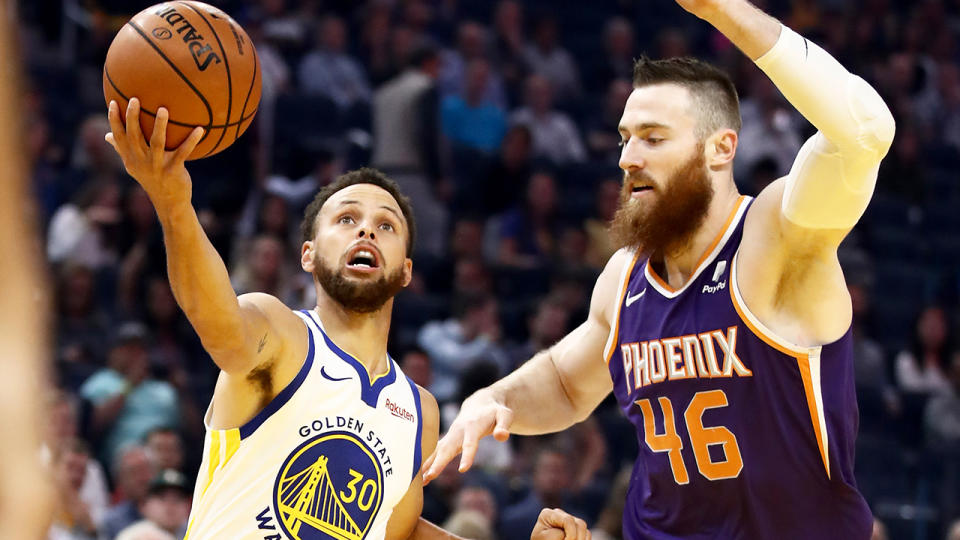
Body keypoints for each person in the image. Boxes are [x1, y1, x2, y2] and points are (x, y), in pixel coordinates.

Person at [425, 0, 896, 538]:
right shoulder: (624, 276)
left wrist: (724, 11)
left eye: (652, 138)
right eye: (625, 138)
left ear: (721, 149)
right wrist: (495, 398)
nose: (628, 157)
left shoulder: (775, 239)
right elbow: (565, 385)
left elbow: (865, 132)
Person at [104, 98, 588, 540]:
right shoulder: (281, 334)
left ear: (405, 271)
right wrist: (173, 204)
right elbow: (214, 318)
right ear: (309, 255)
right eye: (346, 219)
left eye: (386, 225)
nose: (366, 230)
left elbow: (399, 533)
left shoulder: (419, 410)